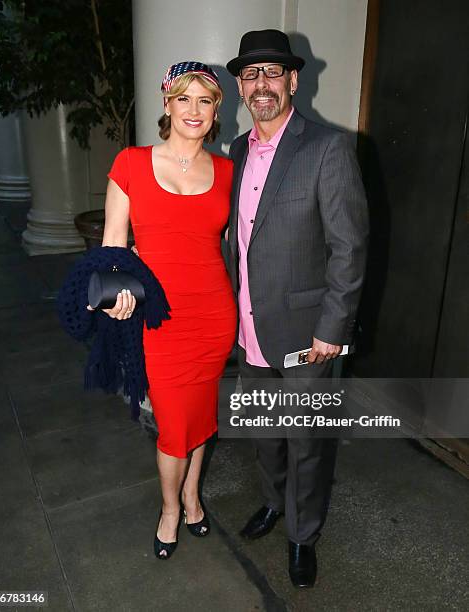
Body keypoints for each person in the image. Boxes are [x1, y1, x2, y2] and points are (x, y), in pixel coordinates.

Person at [226, 30, 369, 587]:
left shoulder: (326, 149)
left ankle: (301, 534)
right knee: (264, 431)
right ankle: (271, 503)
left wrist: (334, 328)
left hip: (307, 332)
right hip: (250, 329)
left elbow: (349, 247)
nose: (262, 85)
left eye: (272, 73)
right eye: (251, 75)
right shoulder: (235, 151)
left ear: (292, 80)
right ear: (240, 86)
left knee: (306, 441)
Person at [99, 62, 237, 560]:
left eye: (205, 100)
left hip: (214, 315)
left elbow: (233, 244)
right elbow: (114, 242)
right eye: (184, 98)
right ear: (166, 103)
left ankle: (193, 497)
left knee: (200, 413)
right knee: (174, 424)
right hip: (159, 318)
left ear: (217, 108)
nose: (193, 110)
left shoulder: (227, 172)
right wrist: (118, 289)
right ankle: (170, 509)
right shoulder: (131, 162)